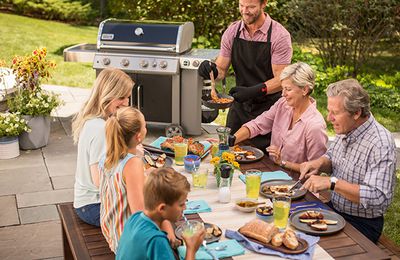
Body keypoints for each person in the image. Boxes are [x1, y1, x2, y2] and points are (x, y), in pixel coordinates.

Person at [299, 79, 397, 243]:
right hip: (335, 211)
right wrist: (319, 163)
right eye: (329, 111)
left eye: (335, 113)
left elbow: (378, 197)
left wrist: (331, 183)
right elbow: (332, 157)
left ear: (357, 113)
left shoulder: (380, 143)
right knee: (292, 226)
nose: (329, 118)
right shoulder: (346, 127)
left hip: (362, 223)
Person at [198, 0, 292, 150]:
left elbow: (282, 80)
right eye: (242, 5)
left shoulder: (279, 36)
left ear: (263, 4)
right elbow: (222, 69)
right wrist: (211, 70)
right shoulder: (232, 32)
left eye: (251, 7)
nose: (245, 11)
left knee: (266, 161)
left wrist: (255, 90)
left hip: (268, 108)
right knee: (227, 152)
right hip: (240, 106)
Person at [229, 62, 327, 172]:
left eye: (288, 89)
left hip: (295, 184)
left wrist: (283, 163)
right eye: (283, 89)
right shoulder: (282, 104)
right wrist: (230, 141)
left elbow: (315, 169)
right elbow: (257, 125)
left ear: (305, 90)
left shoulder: (315, 126)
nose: (283, 94)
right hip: (272, 173)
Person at [72, 68, 134, 226]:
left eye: (128, 97)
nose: (126, 103)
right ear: (107, 95)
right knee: (150, 215)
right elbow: (99, 181)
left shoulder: (96, 120)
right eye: (121, 97)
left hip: (89, 202)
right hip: (94, 205)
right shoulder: (100, 129)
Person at [116, 167, 205, 260]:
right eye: (181, 204)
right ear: (162, 208)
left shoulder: (134, 218)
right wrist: (191, 249)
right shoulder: (157, 240)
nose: (185, 208)